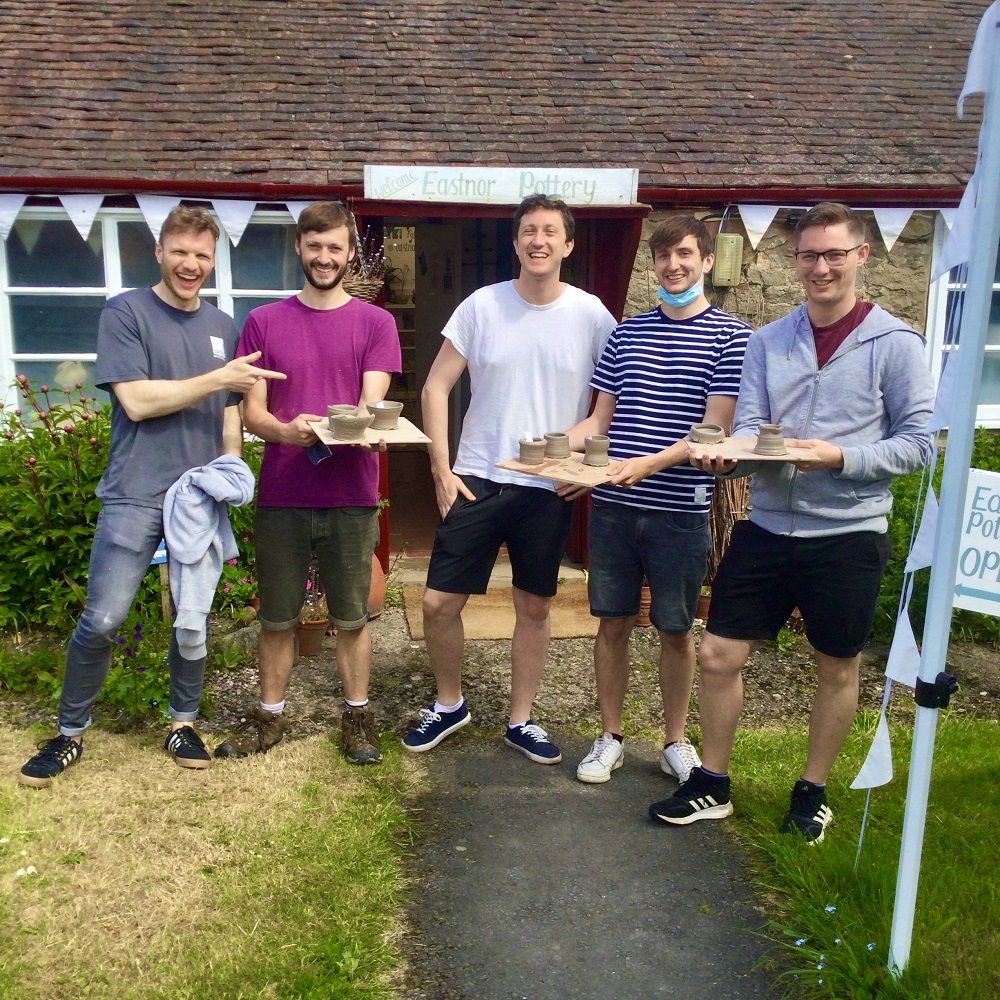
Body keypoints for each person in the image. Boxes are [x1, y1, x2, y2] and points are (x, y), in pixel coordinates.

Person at [649, 202, 935, 841]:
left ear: (863, 255)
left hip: (850, 531)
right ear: (794, 260)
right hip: (769, 524)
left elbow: (919, 444)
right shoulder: (768, 341)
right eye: (810, 255)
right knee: (719, 653)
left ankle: (811, 791)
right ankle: (714, 783)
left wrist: (841, 458)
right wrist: (725, 459)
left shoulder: (896, 343)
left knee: (836, 662)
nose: (822, 267)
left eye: (835, 254)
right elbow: (749, 426)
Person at [18, 205, 282, 787]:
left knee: (192, 620)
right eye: (181, 252)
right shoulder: (126, 312)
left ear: (213, 261)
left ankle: (182, 721)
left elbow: (230, 412)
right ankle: (68, 732)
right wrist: (219, 379)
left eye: (202, 256)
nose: (191, 265)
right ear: (160, 252)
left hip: (197, 498)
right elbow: (136, 401)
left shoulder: (221, 325)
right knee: (105, 616)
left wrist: (232, 467)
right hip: (135, 491)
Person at [402, 194, 617, 764]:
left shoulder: (593, 316)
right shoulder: (482, 307)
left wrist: (580, 468)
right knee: (438, 603)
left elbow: (604, 413)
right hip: (478, 475)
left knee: (535, 606)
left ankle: (521, 720)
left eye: (550, 232)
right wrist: (441, 471)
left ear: (568, 245)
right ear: (516, 242)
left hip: (548, 485)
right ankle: (450, 704)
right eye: (528, 231)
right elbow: (434, 388)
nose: (538, 240)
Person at [213, 200, 401, 766]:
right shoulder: (264, 321)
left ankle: (357, 717)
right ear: (299, 248)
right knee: (276, 617)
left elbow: (371, 403)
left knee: (352, 617)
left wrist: (361, 427)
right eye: (314, 246)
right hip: (284, 493)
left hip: (350, 496)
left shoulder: (376, 323)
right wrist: (286, 433)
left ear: (348, 253)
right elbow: (253, 414)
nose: (324, 257)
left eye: (335, 247)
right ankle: (269, 718)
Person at [565, 216, 751, 786]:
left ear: (707, 261)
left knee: (675, 628)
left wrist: (645, 465)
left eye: (685, 255)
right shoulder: (625, 333)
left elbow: (713, 430)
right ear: (655, 264)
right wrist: (544, 453)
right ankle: (611, 737)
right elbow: (598, 419)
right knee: (612, 622)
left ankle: (675, 740)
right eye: (664, 256)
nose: (674, 266)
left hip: (681, 509)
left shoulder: (732, 336)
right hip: (616, 508)